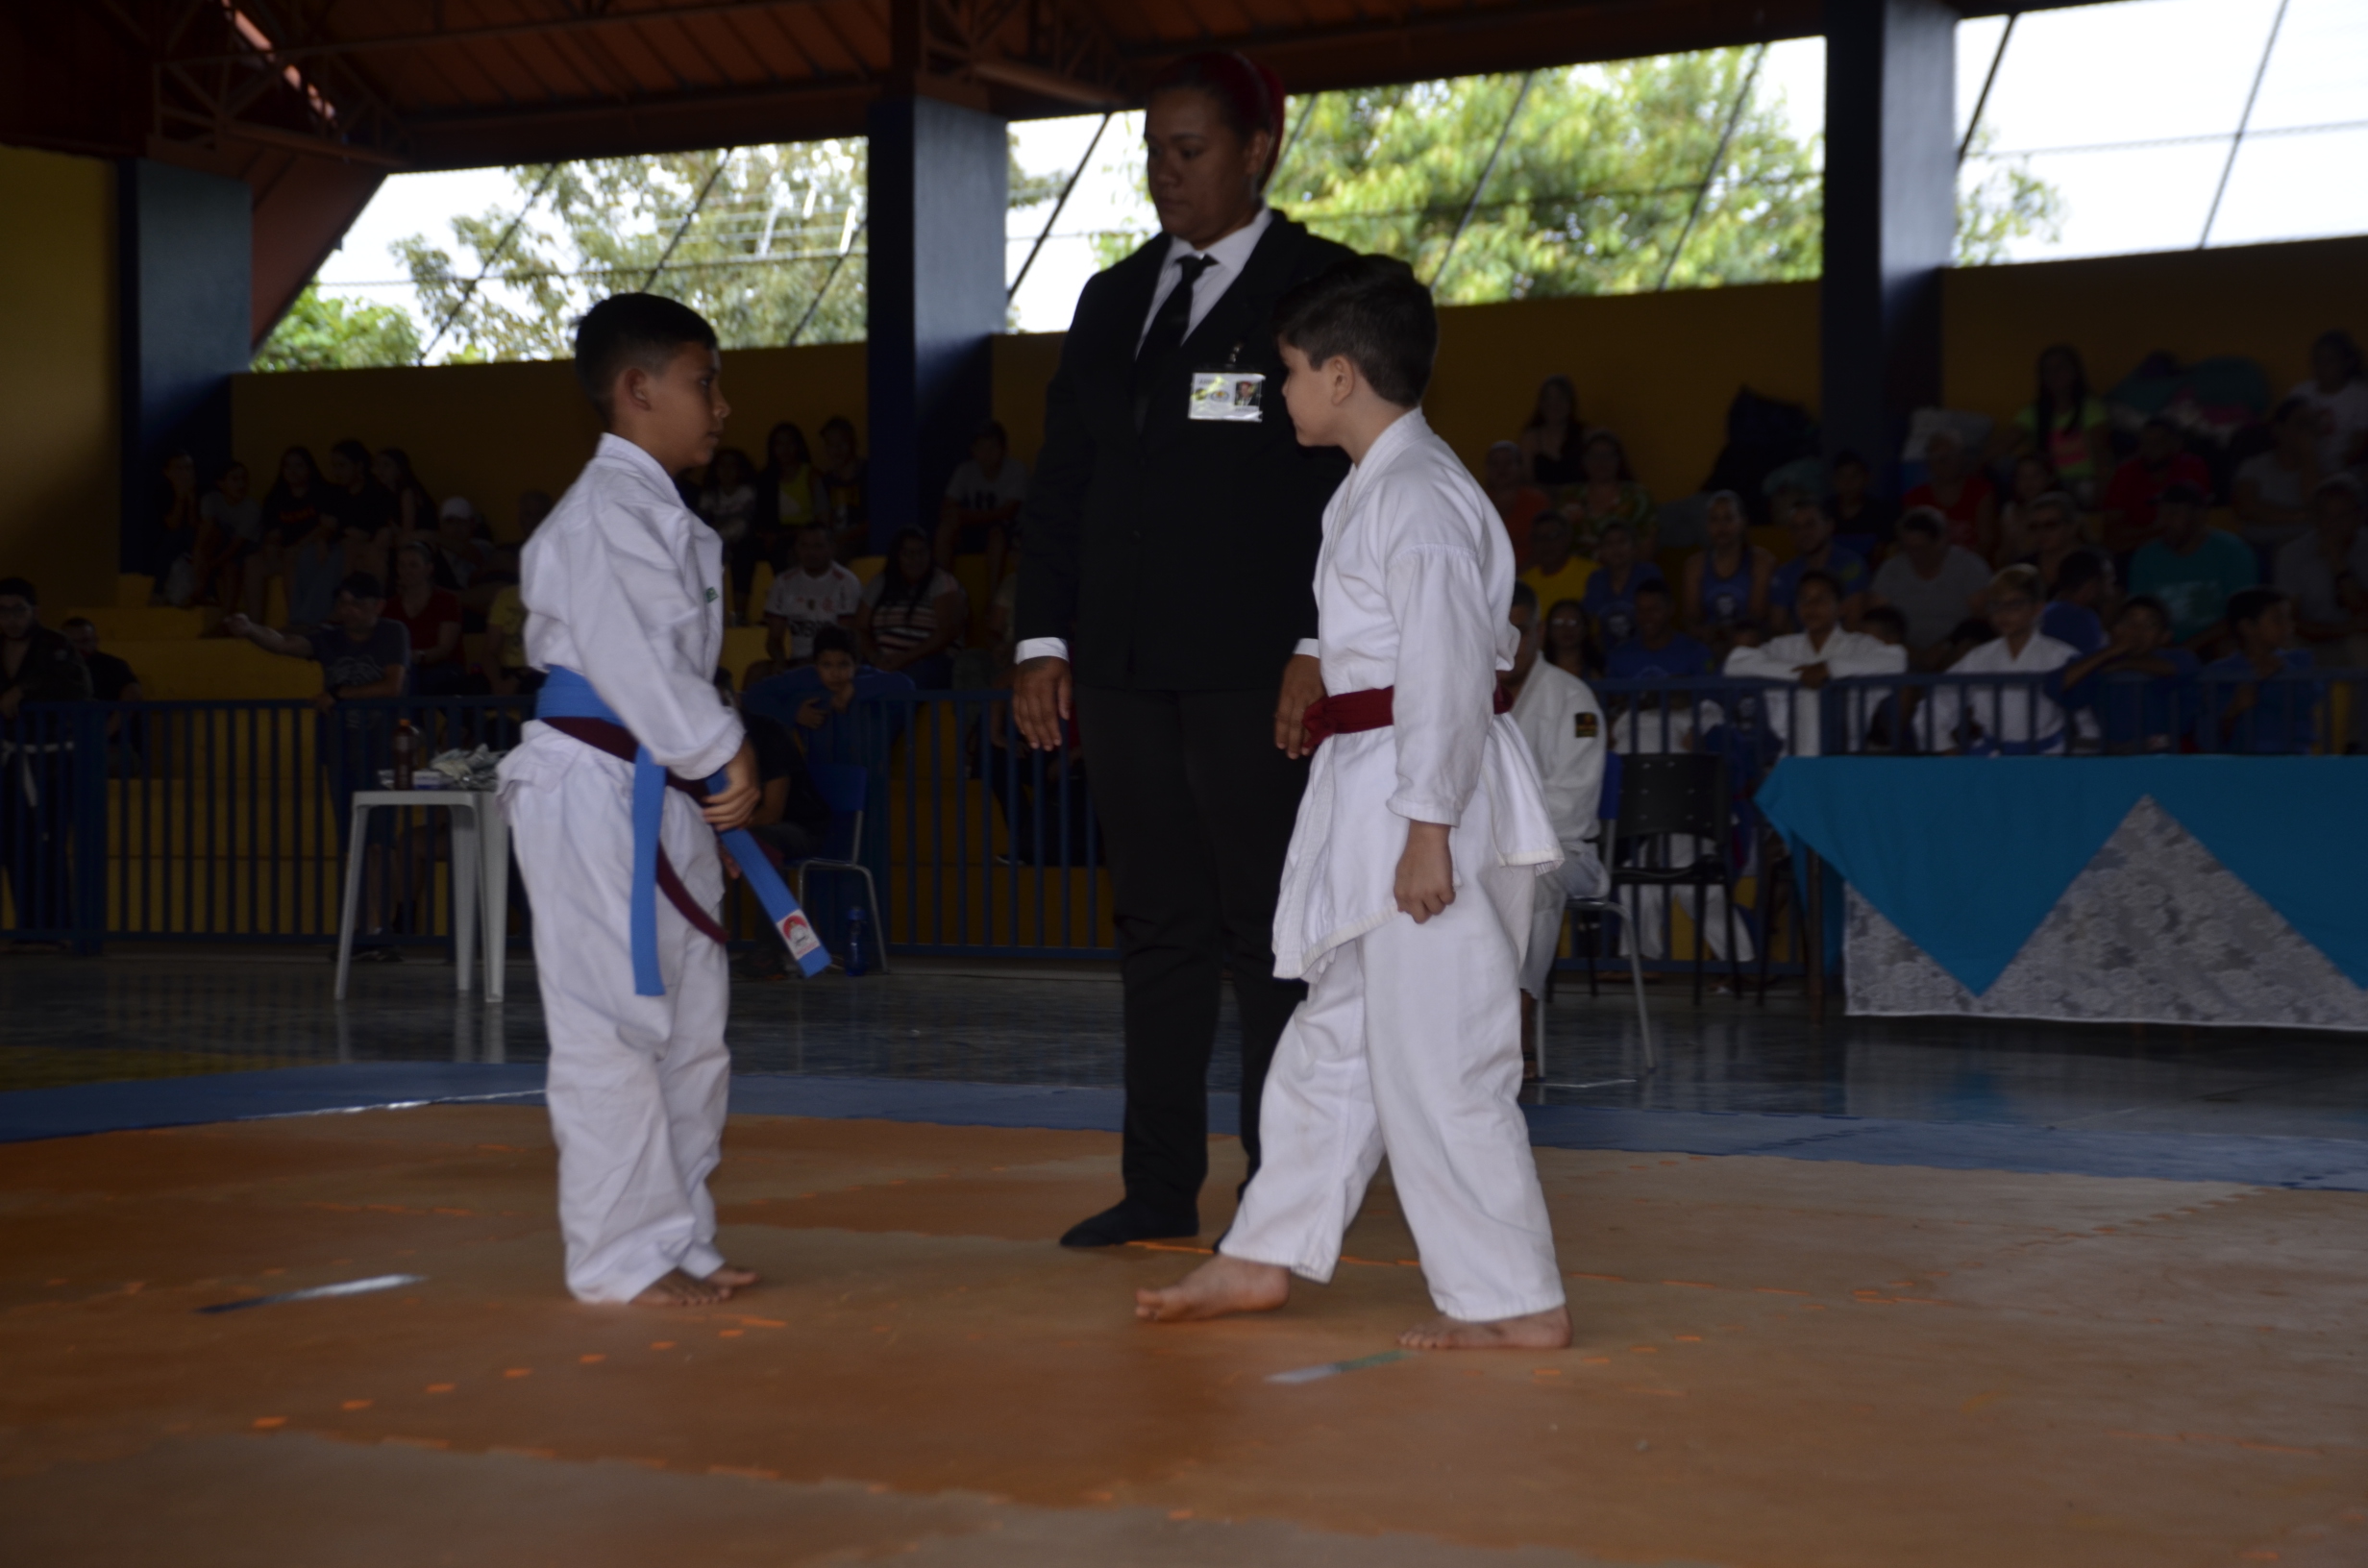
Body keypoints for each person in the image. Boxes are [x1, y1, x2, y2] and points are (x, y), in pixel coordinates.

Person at [1135, 255, 1568, 1351]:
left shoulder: (1415, 497)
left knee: (1442, 1062)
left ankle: (1514, 1303)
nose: (1278, 392)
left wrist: (1428, 829)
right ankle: (1262, 1253)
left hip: (1430, 807)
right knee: (1335, 1045)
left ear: (1338, 377)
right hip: (1385, 791)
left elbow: (1445, 670)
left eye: (1284, 371)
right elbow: (1419, 636)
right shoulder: (1383, 488)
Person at [1013, 50, 1360, 1250]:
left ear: (1257, 150)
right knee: (1155, 923)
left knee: (1269, 928)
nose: (1164, 172)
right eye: (1152, 149)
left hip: (1256, 665)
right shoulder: (1113, 300)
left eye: (1189, 149)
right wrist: (1041, 636)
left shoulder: (1324, 288)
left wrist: (1321, 642)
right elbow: (1061, 483)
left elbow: (1354, 490)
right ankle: (1158, 1187)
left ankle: (1282, 1189)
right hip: (1116, 661)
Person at [491, 292, 763, 1309]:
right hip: (595, 780)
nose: (722, 406)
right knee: (615, 1025)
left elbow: (667, 673)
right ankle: (619, 1255)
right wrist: (720, 744)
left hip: (660, 783)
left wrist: (710, 752)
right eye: (705, 383)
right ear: (637, 389)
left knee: (693, 1023)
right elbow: (629, 661)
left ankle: (678, 1232)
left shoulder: (658, 513)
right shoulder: (601, 513)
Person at [225, 573, 411, 952]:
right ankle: (361, 932)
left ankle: (387, 930)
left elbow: (392, 686)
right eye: (344, 603)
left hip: (382, 753)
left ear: (377, 605)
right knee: (354, 844)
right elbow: (283, 643)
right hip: (340, 753)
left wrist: (339, 694)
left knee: (380, 843)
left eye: (357, 603)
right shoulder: (328, 637)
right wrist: (249, 629)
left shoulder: (392, 632)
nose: (349, 611)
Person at [1503, 581, 1607, 1067]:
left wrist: (1498, 819)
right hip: (1486, 848)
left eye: (1520, 631)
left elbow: (1574, 805)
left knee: (1534, 872)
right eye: (1498, 631)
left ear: (1539, 631)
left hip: (1569, 851)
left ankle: (1520, 1009)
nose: (1509, 642)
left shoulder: (1574, 699)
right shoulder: (1469, 695)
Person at [1723, 571, 1907, 755]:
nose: (1811, 607)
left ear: (1841, 607)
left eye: (1821, 599)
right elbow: (1736, 662)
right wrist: (1798, 674)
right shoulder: (1784, 646)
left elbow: (1897, 659)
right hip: (1795, 757)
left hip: (1847, 758)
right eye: (1804, 600)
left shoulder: (1859, 645)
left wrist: (1830, 668)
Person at [0, 578, 92, 944]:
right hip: (10, 761)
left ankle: (59, 927)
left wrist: (25, 689)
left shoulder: (55, 645)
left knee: (50, 844)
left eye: (18, 610)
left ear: (34, 611)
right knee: (12, 844)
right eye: (3, 611)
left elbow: (77, 689)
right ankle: (28, 927)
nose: (10, 619)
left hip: (53, 760)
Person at [1917, 566, 2083, 754]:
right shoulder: (1979, 658)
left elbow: (2087, 721)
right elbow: (1937, 703)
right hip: (1991, 759)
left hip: (2049, 759)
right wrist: (1946, 749)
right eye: (1995, 605)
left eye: (2014, 605)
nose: (2002, 614)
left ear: (2037, 607)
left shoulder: (2062, 656)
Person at [2054, 597, 2197, 753]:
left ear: (2165, 636)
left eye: (2150, 624)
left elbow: (2176, 668)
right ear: (2114, 629)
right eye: (2129, 622)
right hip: (2110, 755)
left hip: (2160, 754)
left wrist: (2124, 664)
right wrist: (2112, 651)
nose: (2137, 630)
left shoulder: (2177, 656)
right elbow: (2056, 685)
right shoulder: (2097, 659)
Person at [2128, 481, 2257, 652]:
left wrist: (2186, 649)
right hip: (2160, 648)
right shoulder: (2146, 556)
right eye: (2161, 514)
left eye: (2174, 514)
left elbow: (2240, 615)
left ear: (2199, 516)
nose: (2164, 522)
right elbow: (2139, 613)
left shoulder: (2233, 552)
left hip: (2214, 646)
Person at [1869, 507, 1993, 669]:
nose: (1914, 555)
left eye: (1921, 548)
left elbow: (1982, 618)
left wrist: (1947, 645)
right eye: (1908, 548)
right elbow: (1877, 618)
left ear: (1941, 541)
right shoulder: (1891, 570)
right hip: (1902, 652)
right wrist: (1904, 648)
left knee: (1970, 647)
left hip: (1954, 650)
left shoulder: (1969, 567)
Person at [2199, 588, 2317, 753]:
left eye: (2289, 618)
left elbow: (2310, 699)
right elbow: (2207, 737)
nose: (2289, 625)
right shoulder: (2218, 672)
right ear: (2247, 627)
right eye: (2278, 620)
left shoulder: (2299, 660)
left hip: (2295, 760)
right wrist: (2234, 709)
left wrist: (2284, 669)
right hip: (2243, 765)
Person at [2274, 476, 2368, 680]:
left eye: (2342, 516)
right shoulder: (2291, 554)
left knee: (2361, 645)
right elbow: (2290, 619)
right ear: (2314, 518)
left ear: (2360, 516)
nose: (2333, 525)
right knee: (2286, 645)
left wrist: (2339, 566)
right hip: (2311, 637)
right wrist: (2343, 629)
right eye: (2326, 516)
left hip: (2356, 639)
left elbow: (2362, 610)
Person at [856, 527, 965, 690]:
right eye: (908, 554)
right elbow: (860, 628)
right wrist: (875, 657)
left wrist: (905, 658)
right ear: (897, 556)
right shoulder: (880, 582)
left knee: (904, 685)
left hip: (929, 661)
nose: (916, 559)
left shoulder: (942, 581)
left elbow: (947, 631)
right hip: (882, 661)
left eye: (921, 552)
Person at [2007, 344, 2112, 502]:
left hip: (2084, 483)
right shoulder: (2034, 412)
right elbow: (2005, 442)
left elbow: (2102, 456)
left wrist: (2101, 492)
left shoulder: (2090, 409)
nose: (2054, 374)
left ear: (2074, 372)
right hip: (2046, 483)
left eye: (2060, 367)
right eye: (2048, 370)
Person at [2101, 418, 2213, 555]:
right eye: (2146, 442)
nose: (2151, 448)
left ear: (2176, 444)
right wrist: (2154, 531)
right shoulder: (2126, 472)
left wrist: (2146, 533)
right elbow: (2112, 531)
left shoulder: (2192, 467)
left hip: (2188, 548)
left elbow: (2197, 523)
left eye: (2159, 442)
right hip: (2136, 551)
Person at [937, 420, 1027, 590]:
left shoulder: (1016, 470)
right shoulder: (965, 471)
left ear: (1004, 449)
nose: (987, 453)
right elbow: (947, 509)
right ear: (973, 450)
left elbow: (1007, 513)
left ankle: (994, 599)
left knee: (996, 535)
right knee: (945, 530)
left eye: (993, 447)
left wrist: (964, 515)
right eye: (981, 447)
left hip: (1010, 533)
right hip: (975, 531)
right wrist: (963, 517)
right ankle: (942, 592)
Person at [1680, 490, 1771, 649]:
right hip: (1708, 647)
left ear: (1742, 522)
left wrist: (1718, 633)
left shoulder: (1762, 561)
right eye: (1714, 519)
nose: (1721, 527)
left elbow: (1757, 619)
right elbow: (1691, 620)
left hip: (1749, 648)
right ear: (1707, 525)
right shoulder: (1694, 565)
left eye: (1728, 518)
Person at [2235, 397, 2328, 552]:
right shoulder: (2254, 466)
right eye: (2301, 424)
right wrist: (2301, 516)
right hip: (2262, 546)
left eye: (2311, 425)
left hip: (2308, 549)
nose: (2307, 431)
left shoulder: (2324, 467)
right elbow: (2247, 508)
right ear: (2278, 430)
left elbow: (2315, 504)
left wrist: (2308, 457)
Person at [763, 522, 863, 666]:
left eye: (818, 546)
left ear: (832, 548)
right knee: (756, 672)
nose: (810, 553)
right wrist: (780, 663)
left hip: (834, 663)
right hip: (796, 661)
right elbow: (774, 638)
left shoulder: (847, 582)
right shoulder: (783, 582)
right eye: (804, 546)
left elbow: (846, 639)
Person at [1768, 494, 1868, 634]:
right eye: (1796, 528)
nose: (1803, 533)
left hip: (1845, 648)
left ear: (1829, 526)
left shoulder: (1851, 565)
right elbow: (1778, 627)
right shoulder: (1784, 574)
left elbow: (1854, 622)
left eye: (1810, 525)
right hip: (1798, 650)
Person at [385, 539, 469, 698]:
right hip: (405, 670)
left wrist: (418, 656)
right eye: (401, 565)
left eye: (413, 565)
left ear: (428, 568)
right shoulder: (390, 607)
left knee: (418, 680)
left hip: (445, 670)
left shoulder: (447, 600)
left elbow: (445, 648)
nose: (406, 570)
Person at [1902, 428, 1997, 559]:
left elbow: (1986, 542)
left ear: (1961, 458)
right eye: (1938, 458)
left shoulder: (1980, 492)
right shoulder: (1915, 498)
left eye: (1950, 456)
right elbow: (1912, 545)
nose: (1944, 463)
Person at [2288, 329, 2368, 474]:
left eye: (2329, 361)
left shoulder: (2361, 396)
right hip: (2301, 467)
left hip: (2344, 471)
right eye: (2317, 361)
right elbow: (2285, 433)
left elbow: (2359, 444)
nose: (2321, 367)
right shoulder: (2300, 392)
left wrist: (2334, 470)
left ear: (2347, 362)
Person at [1565, 429, 1656, 552]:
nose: (1601, 462)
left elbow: (1647, 548)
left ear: (1618, 460)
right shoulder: (1569, 496)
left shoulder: (1637, 497)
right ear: (1584, 460)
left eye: (1608, 455)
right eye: (1594, 455)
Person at [696, 446, 762, 609]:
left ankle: (739, 612)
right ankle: (711, 607)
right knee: (706, 565)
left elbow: (745, 522)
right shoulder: (710, 495)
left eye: (732, 466)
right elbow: (702, 524)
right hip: (715, 544)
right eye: (722, 466)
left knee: (743, 557)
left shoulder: (746, 492)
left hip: (741, 542)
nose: (727, 471)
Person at [1577, 519, 1661, 649]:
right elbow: (1586, 620)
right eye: (1609, 544)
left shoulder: (1648, 573)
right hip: (1610, 655)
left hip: (1649, 650)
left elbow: (1661, 618)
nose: (1616, 549)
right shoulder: (1596, 579)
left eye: (1622, 542)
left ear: (1633, 548)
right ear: (1601, 551)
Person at [1604, 578, 1711, 679]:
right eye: (1641, 610)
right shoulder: (1619, 657)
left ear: (1671, 609)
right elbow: (1612, 697)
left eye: (1654, 610)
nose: (1647, 617)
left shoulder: (1696, 653)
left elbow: (1709, 696)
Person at [755, 422, 829, 566]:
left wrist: (783, 536)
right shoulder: (765, 479)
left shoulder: (811, 475)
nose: (785, 449)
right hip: (774, 533)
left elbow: (823, 519)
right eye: (779, 444)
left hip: (805, 532)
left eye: (790, 443)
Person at [195, 458, 261, 610]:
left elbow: (236, 545)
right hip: (219, 545)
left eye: (244, 478)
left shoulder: (251, 509)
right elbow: (206, 529)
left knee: (229, 567)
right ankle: (201, 591)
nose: (241, 484)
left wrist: (212, 565)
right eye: (234, 479)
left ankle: (227, 616)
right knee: (212, 535)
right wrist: (198, 553)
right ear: (221, 483)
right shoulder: (211, 499)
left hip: (247, 548)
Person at [1482, 440, 1551, 565]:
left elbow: (1546, 546)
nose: (1501, 469)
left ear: (1520, 467)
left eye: (1508, 463)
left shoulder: (1537, 501)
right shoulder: (1477, 501)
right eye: (1495, 464)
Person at [1517, 511, 1595, 622]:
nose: (1546, 544)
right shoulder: (1526, 585)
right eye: (1540, 538)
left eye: (1553, 536)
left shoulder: (1592, 574)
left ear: (1568, 538)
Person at [2039, 549, 2112, 656]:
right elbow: (2091, 668)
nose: (2111, 587)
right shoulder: (2083, 619)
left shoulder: (2042, 613)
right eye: (2109, 579)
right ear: (2092, 585)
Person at [1995, 455, 2064, 567]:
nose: (2028, 482)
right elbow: (2002, 556)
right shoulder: (2009, 511)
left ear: (2050, 477)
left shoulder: (2060, 508)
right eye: (2022, 476)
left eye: (2035, 476)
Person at [1517, 374, 1583, 492]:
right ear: (1541, 404)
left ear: (1570, 403)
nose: (1554, 404)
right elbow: (1526, 481)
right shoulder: (1530, 439)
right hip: (1540, 504)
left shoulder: (1585, 435)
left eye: (1561, 398)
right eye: (1548, 398)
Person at [2014, 489, 2088, 594]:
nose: (2041, 533)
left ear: (2072, 526)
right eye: (2035, 527)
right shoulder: (2023, 567)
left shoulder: (2093, 564)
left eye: (2050, 525)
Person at [817, 416, 869, 560]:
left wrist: (843, 536)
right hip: (834, 540)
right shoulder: (825, 482)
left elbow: (875, 519)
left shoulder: (868, 474)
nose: (837, 449)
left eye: (842, 443)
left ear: (852, 443)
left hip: (861, 538)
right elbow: (823, 521)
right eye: (831, 444)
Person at [1826, 449, 1897, 552]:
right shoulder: (1824, 511)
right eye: (1842, 476)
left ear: (1866, 478)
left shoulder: (1881, 512)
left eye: (1854, 476)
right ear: (1834, 480)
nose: (1848, 483)